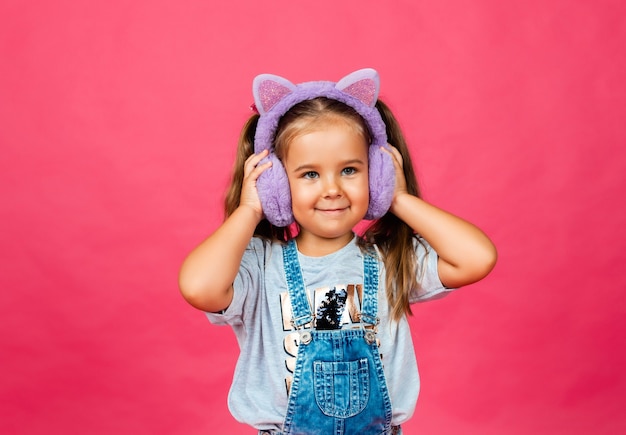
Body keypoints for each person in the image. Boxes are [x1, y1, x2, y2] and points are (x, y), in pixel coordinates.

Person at [179, 68, 497, 434]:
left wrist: (400, 198)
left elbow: (477, 258)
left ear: (375, 175)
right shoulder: (259, 265)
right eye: (310, 174)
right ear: (276, 186)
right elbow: (199, 287)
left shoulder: (390, 261)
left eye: (349, 170)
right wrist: (250, 209)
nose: (332, 189)